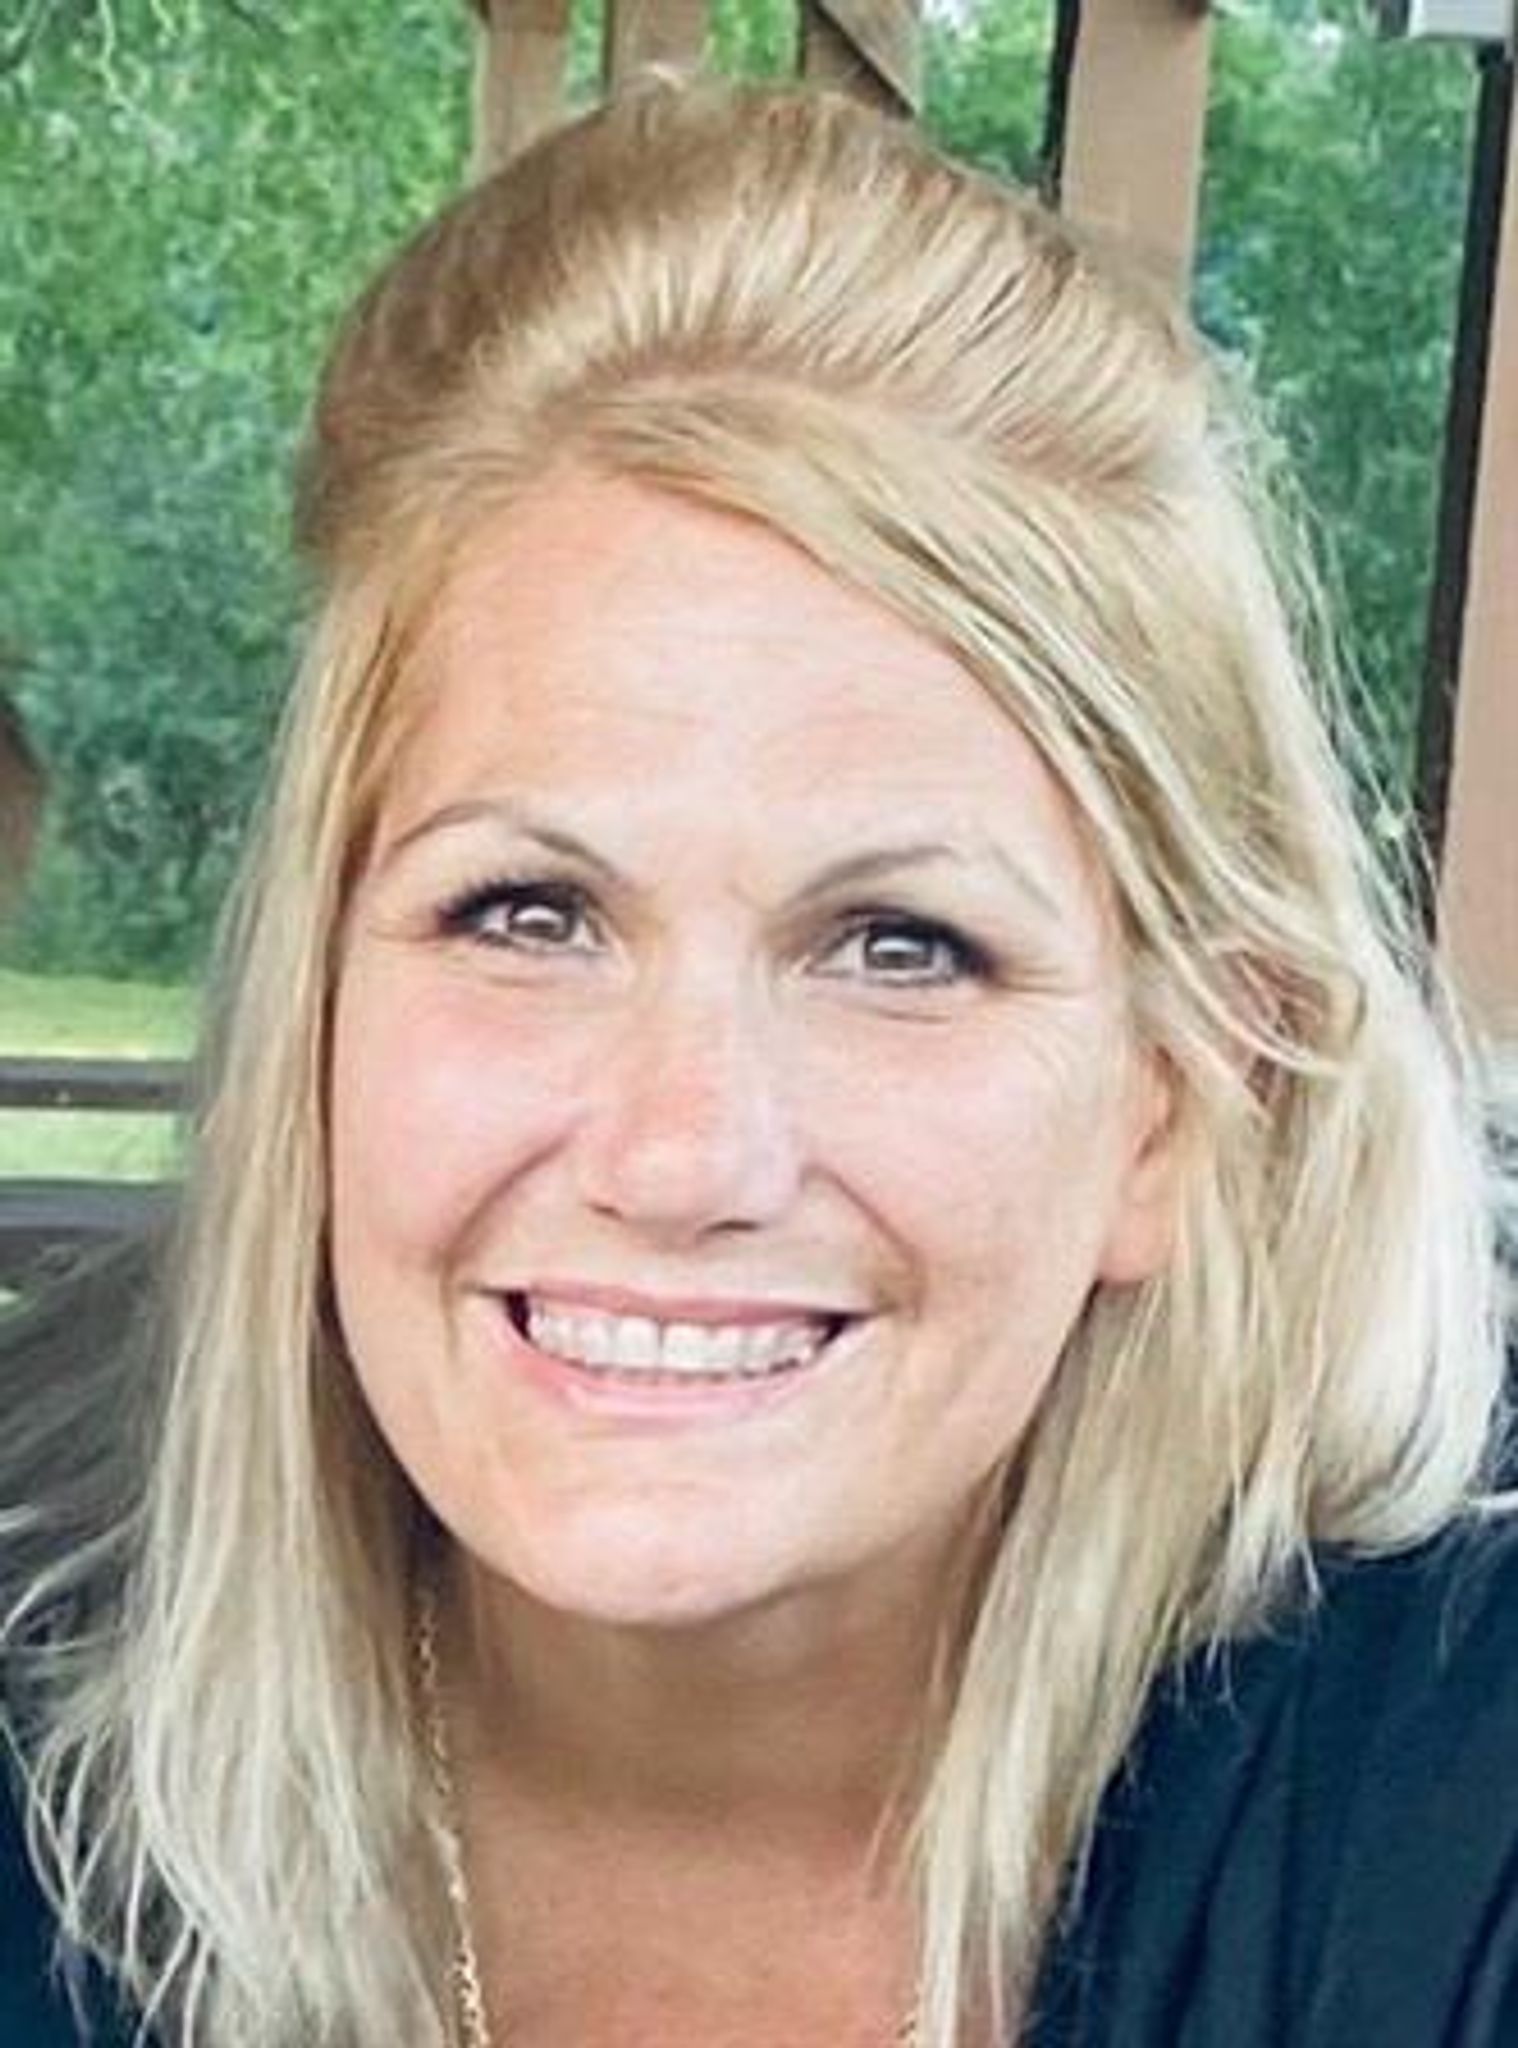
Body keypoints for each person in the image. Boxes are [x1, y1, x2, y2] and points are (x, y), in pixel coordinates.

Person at [2, 77, 1515, 2048]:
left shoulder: (1445, 1814)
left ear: (1177, 1103)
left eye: (903, 947)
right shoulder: (49, 1818)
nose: (683, 1152)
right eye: (527, 911)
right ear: (319, 1016)